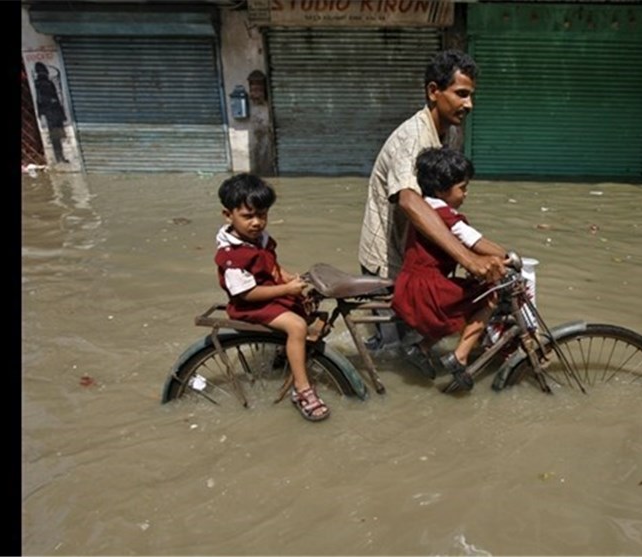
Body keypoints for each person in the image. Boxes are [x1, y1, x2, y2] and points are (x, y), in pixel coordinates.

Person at [357, 49, 506, 351]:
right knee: (394, 354)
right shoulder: (413, 138)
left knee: (418, 339)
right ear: (433, 92)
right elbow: (410, 202)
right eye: (461, 94)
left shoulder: (445, 133)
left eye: (471, 95)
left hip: (417, 258)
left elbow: (442, 206)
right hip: (390, 262)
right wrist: (469, 260)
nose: (469, 104)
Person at [392, 147, 509, 391]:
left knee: (462, 301)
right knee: (489, 296)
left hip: (412, 284)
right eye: (462, 188)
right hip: (429, 289)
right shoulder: (446, 217)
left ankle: (422, 347)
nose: (466, 194)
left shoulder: (428, 210)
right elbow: (476, 242)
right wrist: (509, 256)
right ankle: (460, 357)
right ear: (442, 190)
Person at [215, 173, 329, 422]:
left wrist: (289, 278)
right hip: (249, 305)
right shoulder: (233, 255)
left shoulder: (258, 239)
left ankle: (285, 353)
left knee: (309, 305)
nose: (257, 222)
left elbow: (272, 267)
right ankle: (302, 390)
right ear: (228, 215)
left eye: (262, 215)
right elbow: (246, 292)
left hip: (267, 297)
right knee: (297, 326)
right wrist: (286, 290)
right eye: (248, 216)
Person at [33, 62, 69, 164]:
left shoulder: (44, 82)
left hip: (53, 114)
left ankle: (60, 157)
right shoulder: (41, 83)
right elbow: (42, 99)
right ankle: (59, 158)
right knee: (56, 138)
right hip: (52, 114)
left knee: (57, 137)